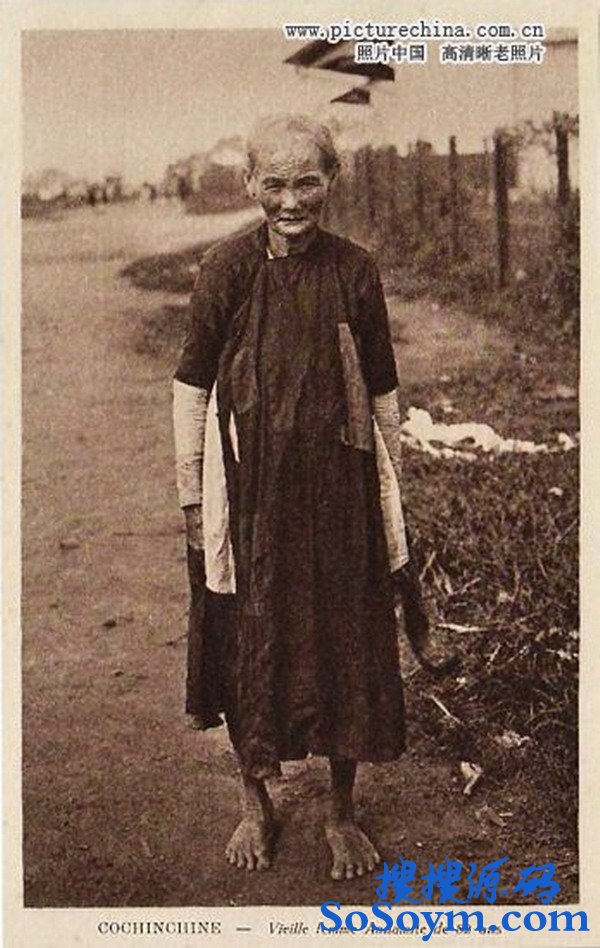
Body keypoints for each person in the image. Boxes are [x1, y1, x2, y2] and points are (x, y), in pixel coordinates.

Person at [173, 114, 433, 880]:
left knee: (348, 636)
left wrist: (391, 491)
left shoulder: (355, 269)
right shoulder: (225, 268)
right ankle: (254, 798)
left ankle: (341, 810)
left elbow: (381, 390)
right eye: (275, 183)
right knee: (244, 632)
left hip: (340, 494)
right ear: (250, 182)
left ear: (332, 180)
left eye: (308, 182)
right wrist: (192, 498)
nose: (291, 201)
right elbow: (191, 387)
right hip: (247, 495)